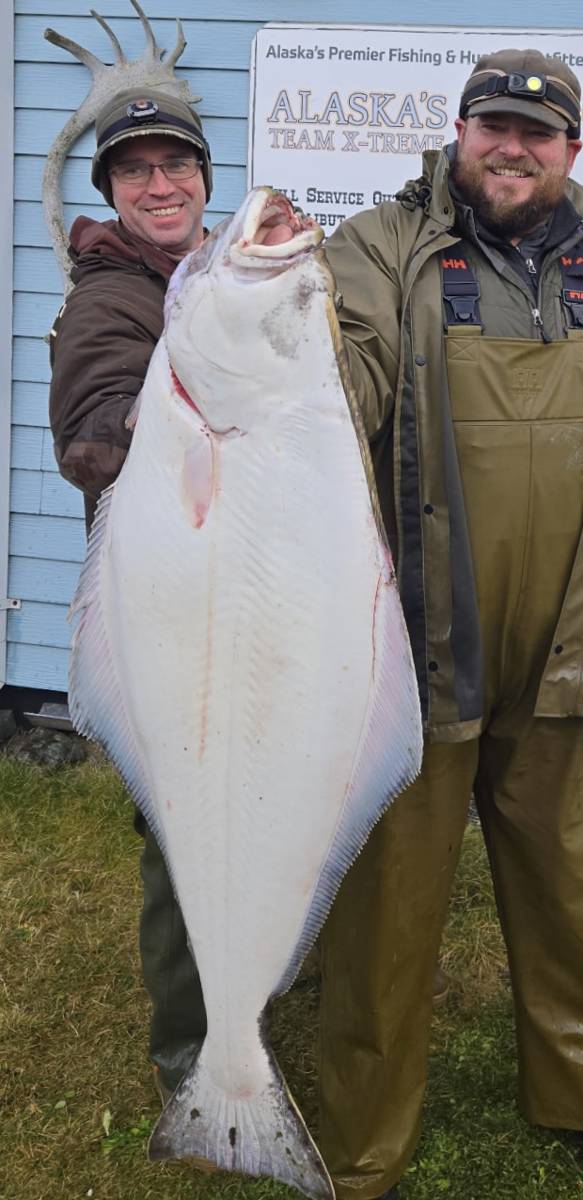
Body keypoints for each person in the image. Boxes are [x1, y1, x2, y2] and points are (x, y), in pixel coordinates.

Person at [316, 48, 583, 1200]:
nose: (511, 147)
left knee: (572, 887)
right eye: (492, 126)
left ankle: (570, 1096)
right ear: (458, 131)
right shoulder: (381, 247)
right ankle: (365, 1144)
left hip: (567, 643)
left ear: (569, 150)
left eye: (539, 132)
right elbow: (343, 377)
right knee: (385, 915)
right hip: (421, 641)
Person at [49, 87, 214, 1101]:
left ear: (203, 177)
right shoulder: (109, 298)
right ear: (112, 189)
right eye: (135, 170)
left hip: (240, 598)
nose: (160, 184)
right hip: (162, 608)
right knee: (179, 832)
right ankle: (189, 1057)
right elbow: (96, 425)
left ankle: (251, 988)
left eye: (176, 165)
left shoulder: (207, 277)